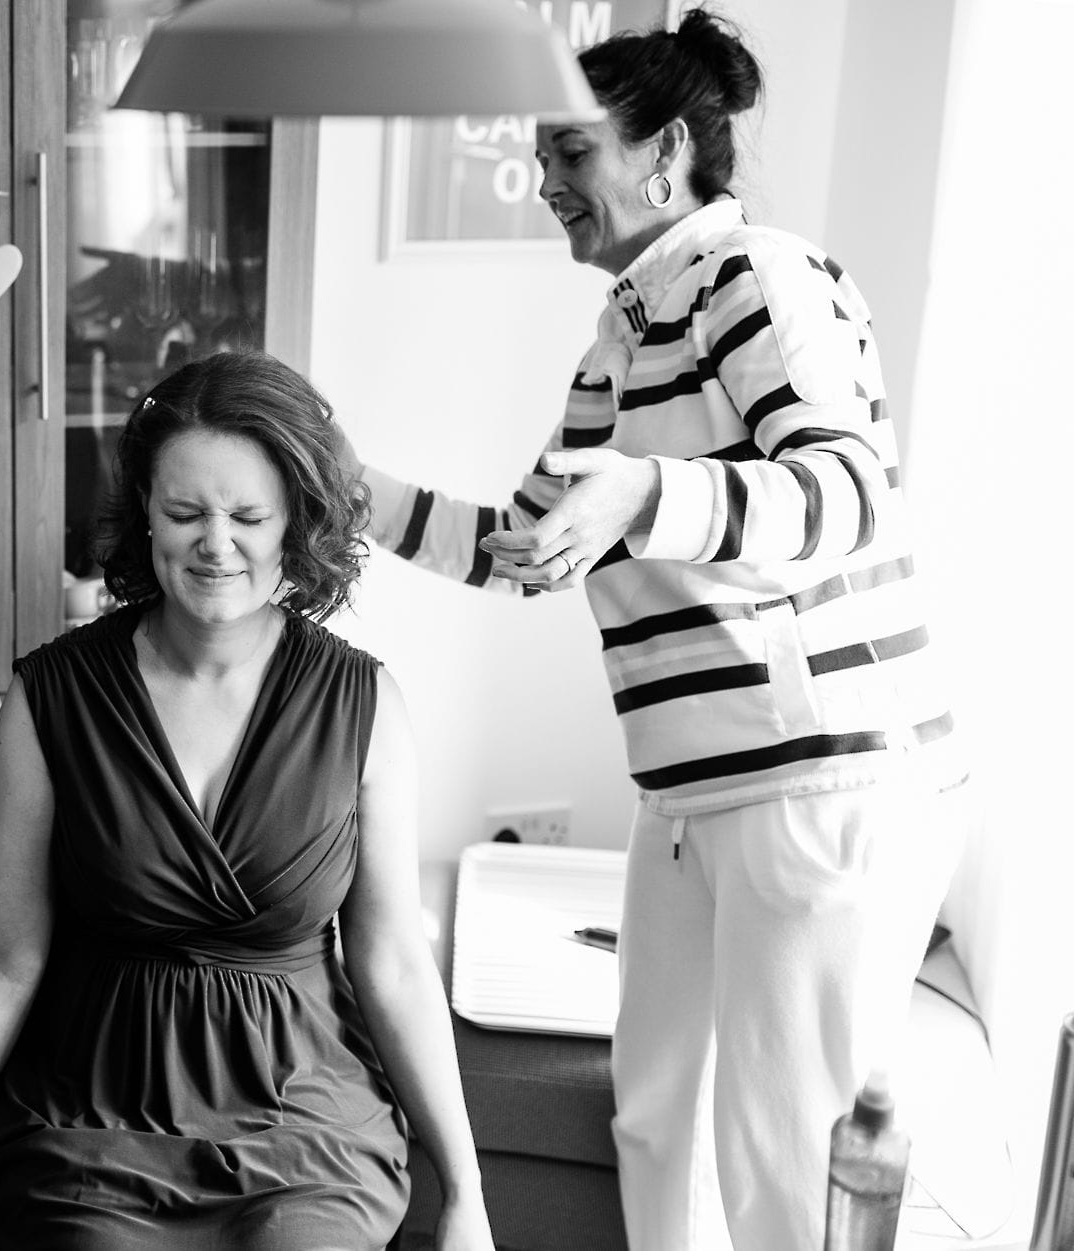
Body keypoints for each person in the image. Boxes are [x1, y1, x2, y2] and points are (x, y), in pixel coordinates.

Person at [340, 9, 969, 1249]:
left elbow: (843, 495)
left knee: (780, 1159)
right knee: (654, 1126)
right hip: (690, 794)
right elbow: (524, 552)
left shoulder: (757, 278)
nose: (545, 185)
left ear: (662, 151)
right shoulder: (615, 342)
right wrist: (345, 488)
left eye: (567, 153)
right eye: (538, 158)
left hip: (819, 778)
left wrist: (647, 493)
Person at [0, 350, 494, 1251]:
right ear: (144, 521)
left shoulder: (365, 705)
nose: (216, 542)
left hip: (303, 1113)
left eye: (248, 515)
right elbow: (3, 953)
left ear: (295, 524)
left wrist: (466, 1192)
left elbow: (393, 957)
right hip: (89, 1108)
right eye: (184, 512)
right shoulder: (50, 698)